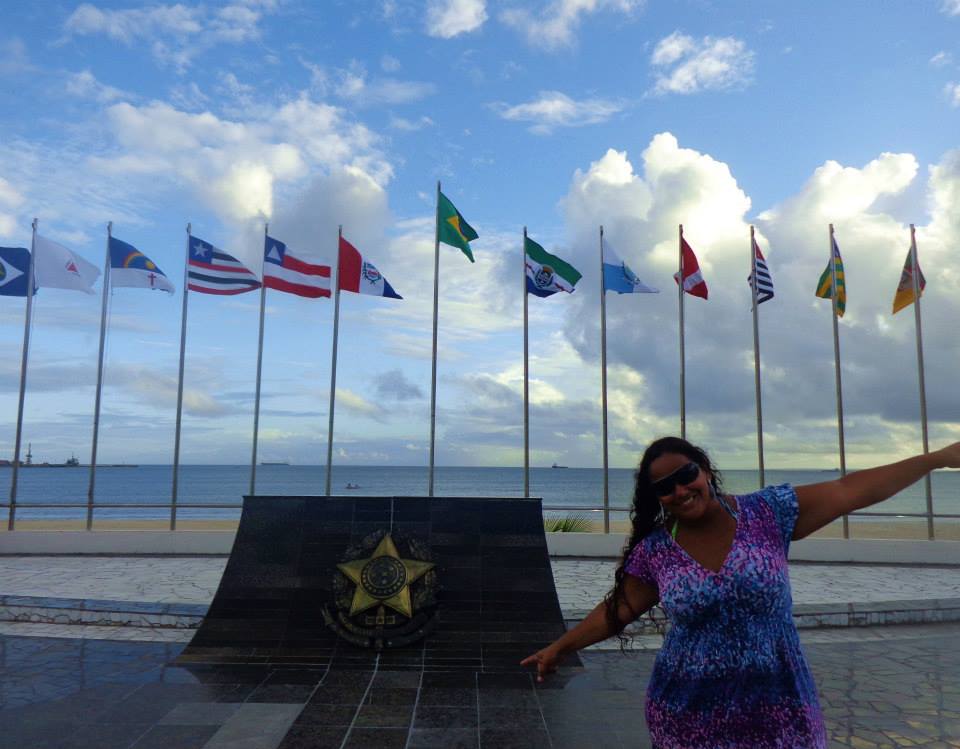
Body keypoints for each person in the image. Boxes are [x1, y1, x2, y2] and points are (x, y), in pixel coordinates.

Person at [522, 436, 960, 749]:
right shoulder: (658, 549)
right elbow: (618, 610)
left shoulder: (768, 512)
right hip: (688, 712)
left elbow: (850, 490)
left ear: (705, 471)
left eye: (686, 474)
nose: (679, 490)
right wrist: (560, 647)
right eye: (664, 487)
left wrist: (938, 458)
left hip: (780, 704)